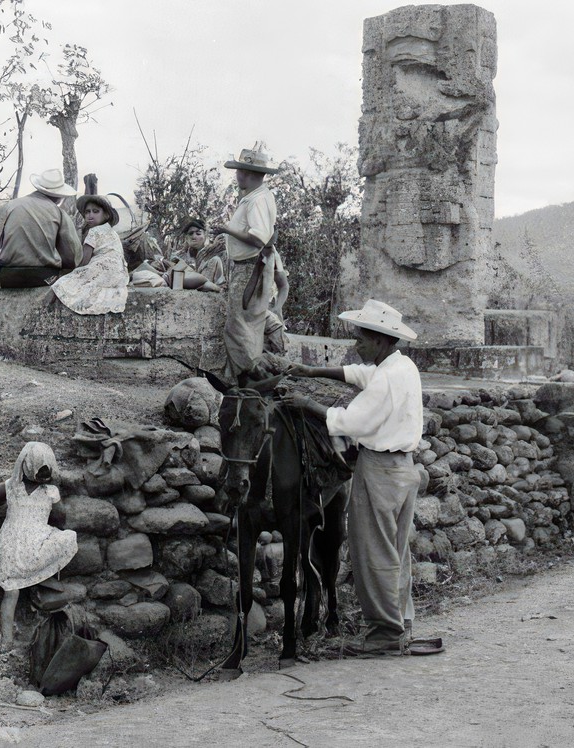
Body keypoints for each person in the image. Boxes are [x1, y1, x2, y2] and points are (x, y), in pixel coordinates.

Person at [285, 299, 438, 657]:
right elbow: (361, 374)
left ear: (382, 340)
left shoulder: (386, 378)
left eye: (362, 339)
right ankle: (400, 623)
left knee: (373, 552)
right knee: (396, 551)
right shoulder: (401, 367)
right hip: (403, 469)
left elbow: (352, 422)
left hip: (380, 470)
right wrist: (313, 372)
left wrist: (305, 403)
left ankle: (384, 633)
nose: (356, 345)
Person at [0, 442, 78, 651]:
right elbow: (61, 518)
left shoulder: (12, 486)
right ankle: (38, 583)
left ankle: (6, 641)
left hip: (11, 548)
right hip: (35, 546)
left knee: (11, 592)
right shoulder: (51, 491)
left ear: (23, 464)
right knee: (68, 538)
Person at [213, 143, 279, 382]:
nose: (237, 176)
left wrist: (227, 230)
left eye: (240, 171)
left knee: (237, 328)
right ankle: (248, 379)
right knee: (247, 326)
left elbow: (257, 238)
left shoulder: (256, 201)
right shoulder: (257, 197)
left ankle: (252, 377)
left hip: (250, 268)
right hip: (252, 266)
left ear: (250, 174)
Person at [0, 168, 82, 288]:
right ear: (59, 196)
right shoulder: (58, 213)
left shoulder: (11, 205)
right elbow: (72, 255)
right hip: (43, 278)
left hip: (7, 276)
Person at [47, 195, 128, 314]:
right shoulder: (112, 232)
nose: (90, 215)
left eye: (96, 211)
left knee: (64, 282)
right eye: (87, 212)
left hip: (103, 266)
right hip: (120, 273)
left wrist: (73, 272)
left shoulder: (94, 231)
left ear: (106, 215)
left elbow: (85, 260)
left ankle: (48, 305)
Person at [174, 218, 225, 289]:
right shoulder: (179, 257)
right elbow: (175, 284)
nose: (194, 237)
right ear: (186, 238)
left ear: (205, 235)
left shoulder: (216, 254)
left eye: (198, 233)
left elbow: (221, 285)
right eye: (190, 234)